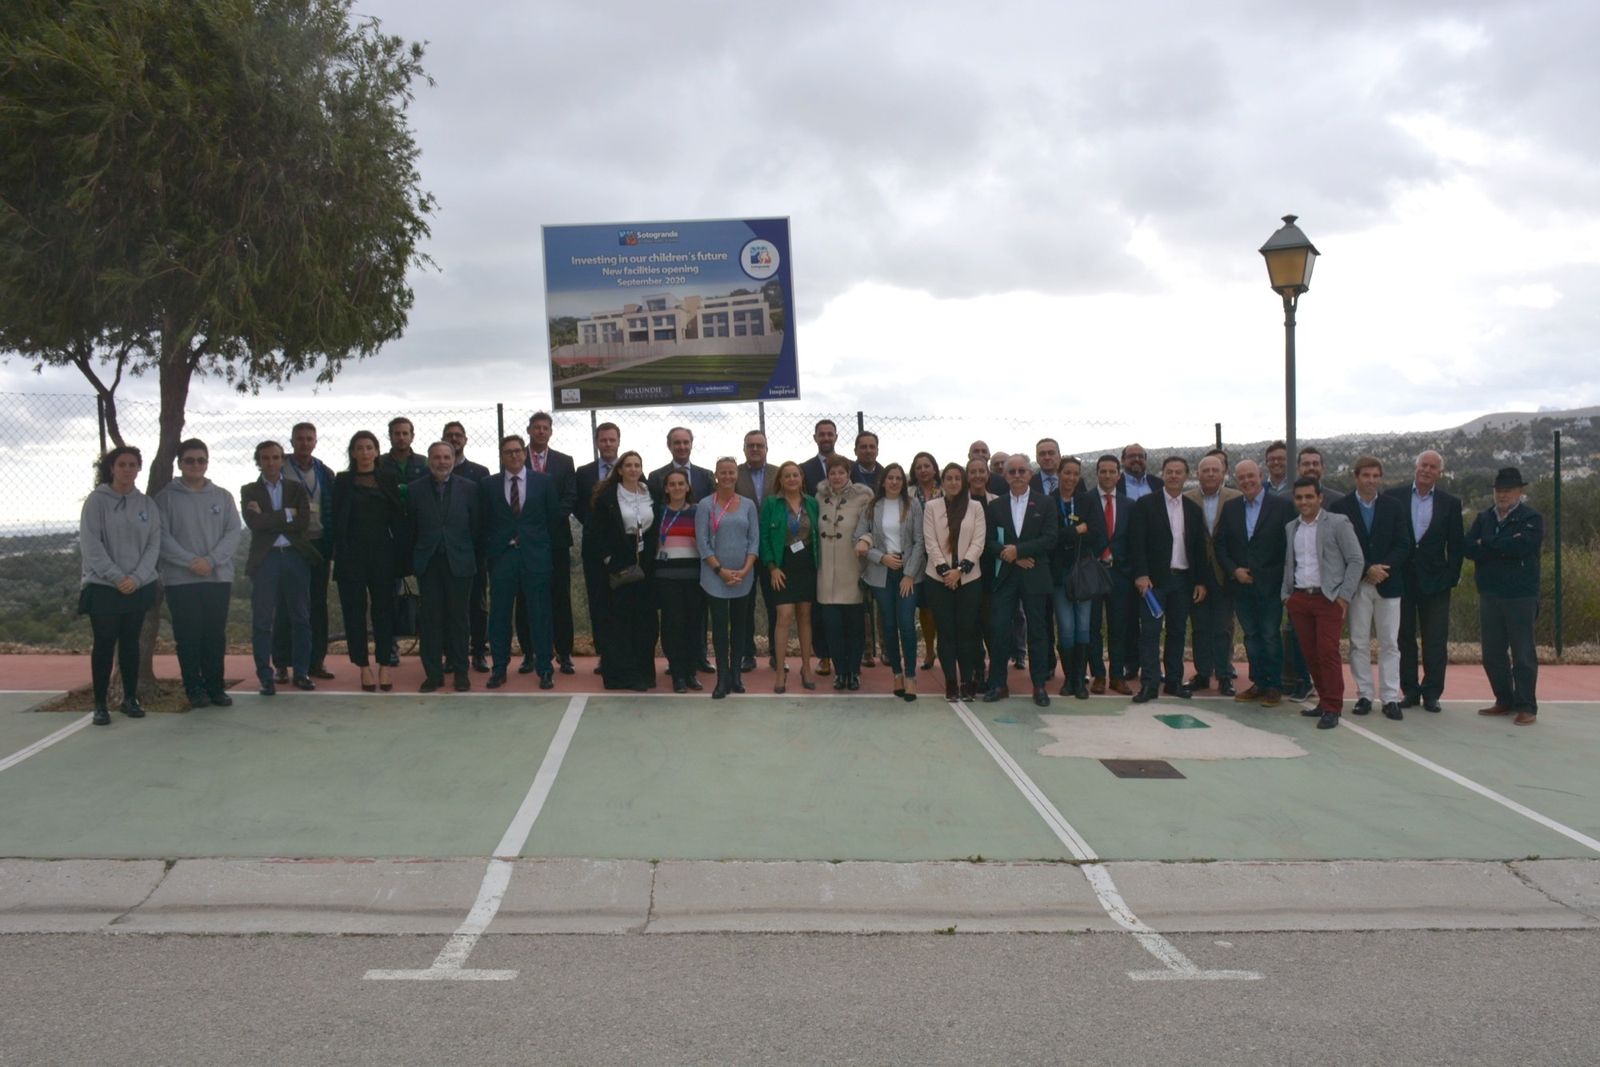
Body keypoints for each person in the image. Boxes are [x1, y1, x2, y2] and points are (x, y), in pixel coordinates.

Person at [78, 445, 161, 725]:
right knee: (104, 643)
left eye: (132, 465)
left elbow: (153, 545)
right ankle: (100, 705)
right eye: (122, 464)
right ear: (111, 468)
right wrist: (116, 577)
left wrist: (136, 578)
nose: (127, 469)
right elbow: (91, 545)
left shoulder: (147, 504)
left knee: (130, 644)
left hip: (138, 585)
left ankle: (130, 699)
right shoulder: (96, 502)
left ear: (139, 469)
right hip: (104, 586)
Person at [157, 439, 241, 710]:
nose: (196, 465)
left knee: (214, 635)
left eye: (201, 460)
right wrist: (190, 562)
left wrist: (211, 561)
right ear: (180, 464)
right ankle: (194, 689)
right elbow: (162, 537)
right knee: (188, 636)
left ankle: (216, 687)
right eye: (190, 460)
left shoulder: (223, 497)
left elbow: (232, 533)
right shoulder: (165, 498)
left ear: (207, 462)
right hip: (181, 580)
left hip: (217, 577)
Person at [1281, 477, 1365, 729]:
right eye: (1299, 497)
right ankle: (1323, 700)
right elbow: (1290, 562)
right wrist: (1287, 596)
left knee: (1327, 652)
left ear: (1320, 498)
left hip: (1328, 598)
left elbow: (1356, 560)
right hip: (1299, 598)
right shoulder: (1291, 527)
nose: (1304, 501)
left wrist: (1344, 596)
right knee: (1310, 654)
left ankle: (1332, 707)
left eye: (1309, 496)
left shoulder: (1338, 523)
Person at [1331, 456, 1410, 720]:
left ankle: (1390, 697)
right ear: (1356, 477)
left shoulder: (1394, 506)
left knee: (1390, 643)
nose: (1371, 480)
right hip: (1357, 584)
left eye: (1376, 476)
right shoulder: (1341, 507)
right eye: (1366, 475)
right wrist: (1366, 569)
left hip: (1389, 582)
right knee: (1358, 642)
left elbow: (1403, 543)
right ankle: (1364, 695)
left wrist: (1382, 568)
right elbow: (1340, 546)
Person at [1385, 450, 1464, 712]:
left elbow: (1456, 545)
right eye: (1423, 465)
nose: (1427, 470)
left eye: (1432, 467)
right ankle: (1409, 691)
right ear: (1415, 467)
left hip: (1436, 583)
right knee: (1403, 638)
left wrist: (1451, 576)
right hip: (1402, 580)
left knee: (1435, 640)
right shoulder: (1394, 497)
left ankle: (1432, 693)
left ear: (1439, 473)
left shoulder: (1450, 503)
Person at [480, 435, 560, 690]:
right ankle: (499, 668)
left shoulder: (544, 482)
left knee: (540, 614)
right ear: (502, 456)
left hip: (535, 558)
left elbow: (553, 520)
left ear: (524, 454)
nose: (513, 455)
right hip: (502, 558)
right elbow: (484, 521)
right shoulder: (488, 484)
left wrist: (545, 552)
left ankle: (545, 669)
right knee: (499, 615)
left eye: (517, 451)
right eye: (508, 452)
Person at [331, 430, 408, 693]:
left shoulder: (388, 478)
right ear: (352, 453)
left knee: (384, 611)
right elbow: (335, 519)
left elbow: (398, 518)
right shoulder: (342, 481)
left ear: (376, 451)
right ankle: (363, 666)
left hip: (383, 555)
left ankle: (385, 663)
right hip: (351, 556)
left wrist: (401, 555)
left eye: (369, 447)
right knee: (354, 612)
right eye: (359, 448)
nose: (364, 453)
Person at [1129, 456, 1210, 704]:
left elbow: (1199, 549)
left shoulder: (1193, 509)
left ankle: (1174, 681)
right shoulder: (1146, 504)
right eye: (1169, 472)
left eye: (1178, 472)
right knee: (1150, 633)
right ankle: (1150, 684)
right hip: (1153, 583)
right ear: (1162, 474)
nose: (1174, 476)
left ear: (1187, 476)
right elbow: (1136, 543)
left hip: (1183, 581)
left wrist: (1200, 581)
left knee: (1177, 632)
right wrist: (1141, 575)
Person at [1465, 468, 1543, 725]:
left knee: (1522, 653)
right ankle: (1504, 699)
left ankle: (1526, 706)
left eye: (1508, 490)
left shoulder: (1531, 518)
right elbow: (1469, 547)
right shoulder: (1484, 517)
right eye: (1499, 490)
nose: (1503, 495)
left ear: (1520, 491)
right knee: (1492, 653)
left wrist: (1487, 544)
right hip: (1490, 593)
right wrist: (1500, 544)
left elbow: (1523, 547)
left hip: (1521, 595)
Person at [242, 440, 319, 696]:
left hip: (295, 556)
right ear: (258, 461)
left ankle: (302, 672)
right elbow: (254, 523)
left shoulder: (296, 488)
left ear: (282, 460)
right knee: (263, 620)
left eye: (275, 457)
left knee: (301, 617)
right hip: (267, 559)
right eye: (265, 458)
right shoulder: (249, 490)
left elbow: (303, 522)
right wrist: (287, 514)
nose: (271, 462)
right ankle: (266, 676)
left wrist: (269, 517)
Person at [984, 454, 1059, 707]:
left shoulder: (1046, 503)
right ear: (1005, 476)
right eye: (1012, 471)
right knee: (999, 630)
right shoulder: (995, 506)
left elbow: (1050, 538)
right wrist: (1014, 557)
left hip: (1035, 575)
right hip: (1005, 577)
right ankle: (998, 684)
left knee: (1037, 632)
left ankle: (1039, 685)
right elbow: (989, 542)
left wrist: (1020, 551)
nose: (1017, 476)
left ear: (1030, 474)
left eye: (1022, 471)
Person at [1217, 460, 1294, 706]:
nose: (1247, 481)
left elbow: (1289, 546)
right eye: (1241, 477)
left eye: (1251, 476)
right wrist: (1234, 571)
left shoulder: (1282, 506)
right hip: (1241, 585)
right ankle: (1258, 682)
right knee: (1251, 636)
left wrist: (1278, 577)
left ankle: (1274, 686)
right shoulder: (1230, 508)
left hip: (1271, 585)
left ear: (1260, 475)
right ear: (1236, 481)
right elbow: (1221, 545)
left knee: (1270, 635)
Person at [409, 441, 480, 693]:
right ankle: (433, 674)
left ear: (453, 459)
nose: (442, 462)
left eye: (446, 457)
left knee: (459, 619)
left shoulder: (469, 488)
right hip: (428, 563)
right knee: (430, 620)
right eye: (437, 457)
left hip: (459, 562)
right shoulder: (415, 490)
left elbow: (476, 526)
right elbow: (410, 528)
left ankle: (461, 672)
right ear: (429, 460)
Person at [855, 463, 925, 701]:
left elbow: (919, 541)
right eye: (890, 478)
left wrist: (909, 574)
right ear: (883, 481)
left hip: (907, 573)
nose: (894, 482)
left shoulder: (913, 505)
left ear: (903, 482)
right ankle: (897, 673)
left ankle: (911, 676)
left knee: (906, 624)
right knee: (888, 625)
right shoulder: (872, 506)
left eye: (898, 478)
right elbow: (858, 539)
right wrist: (881, 557)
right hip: (881, 572)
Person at [591, 450, 659, 692]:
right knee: (620, 621)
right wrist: (609, 559)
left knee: (646, 621)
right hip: (620, 562)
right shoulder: (608, 496)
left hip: (647, 562)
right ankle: (620, 675)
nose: (633, 469)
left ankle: (643, 674)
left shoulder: (650, 493)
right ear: (619, 470)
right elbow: (597, 532)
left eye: (637, 465)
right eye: (628, 465)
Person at [517, 412, 578, 676]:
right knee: (525, 597)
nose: (541, 431)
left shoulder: (564, 462)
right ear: (529, 430)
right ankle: (529, 653)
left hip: (556, 539)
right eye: (537, 427)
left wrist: (546, 520)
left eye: (545, 428)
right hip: (525, 541)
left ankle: (564, 653)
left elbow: (570, 497)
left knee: (560, 596)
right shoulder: (516, 458)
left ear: (551, 432)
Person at [697, 457, 760, 698]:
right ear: (716, 475)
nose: (727, 476)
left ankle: (736, 676)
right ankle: (722, 678)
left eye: (731, 472)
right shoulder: (705, 505)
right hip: (715, 577)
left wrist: (745, 569)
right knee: (720, 628)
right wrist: (720, 570)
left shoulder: (748, 505)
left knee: (740, 627)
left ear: (737, 475)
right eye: (722, 472)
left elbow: (754, 540)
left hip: (743, 576)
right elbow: (702, 543)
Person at [1045, 458, 1107, 700]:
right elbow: (1050, 537)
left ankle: (1080, 680)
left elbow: (1098, 533)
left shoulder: (1087, 501)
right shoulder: (1049, 501)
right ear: (1059, 474)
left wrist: (1068, 535)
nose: (1071, 478)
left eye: (1075, 474)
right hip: (1059, 574)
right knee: (1066, 627)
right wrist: (1076, 530)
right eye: (1067, 473)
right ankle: (1069, 678)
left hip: (1083, 572)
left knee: (1083, 626)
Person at [923, 463, 986, 700]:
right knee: (946, 631)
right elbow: (930, 542)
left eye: (957, 478)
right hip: (938, 580)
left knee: (966, 631)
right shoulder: (931, 507)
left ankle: (967, 680)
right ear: (942, 481)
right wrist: (945, 572)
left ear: (964, 481)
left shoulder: (975, 507)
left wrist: (960, 571)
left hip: (969, 579)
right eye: (948, 478)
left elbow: (978, 542)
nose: (953, 482)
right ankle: (951, 681)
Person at [279, 422, 335, 681]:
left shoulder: (324, 472)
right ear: (292, 442)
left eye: (309, 439)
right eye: (299, 438)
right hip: (289, 543)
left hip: (318, 543)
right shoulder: (280, 468)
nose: (304, 443)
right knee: (285, 603)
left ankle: (316, 661)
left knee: (317, 603)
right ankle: (282, 662)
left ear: (315, 442)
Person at [814, 454, 873, 691]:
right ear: (827, 475)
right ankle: (840, 672)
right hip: (826, 572)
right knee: (832, 628)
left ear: (849, 474)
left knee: (854, 627)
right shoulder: (819, 497)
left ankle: (854, 671)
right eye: (832, 472)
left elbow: (872, 527)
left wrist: (866, 540)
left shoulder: (863, 497)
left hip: (853, 569)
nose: (837, 477)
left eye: (841, 472)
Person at [1185, 453, 1241, 695]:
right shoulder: (1187, 499)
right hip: (1196, 571)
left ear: (1223, 473)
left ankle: (1224, 675)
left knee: (1223, 626)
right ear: (1197, 474)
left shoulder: (1235, 498)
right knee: (1199, 627)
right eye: (1205, 470)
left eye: (1214, 470)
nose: (1210, 474)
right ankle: (1203, 673)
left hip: (1224, 571)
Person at [762, 461, 819, 693]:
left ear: (801, 478)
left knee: (805, 616)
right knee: (784, 616)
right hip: (782, 567)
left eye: (796, 475)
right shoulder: (771, 503)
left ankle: (806, 668)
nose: (792, 479)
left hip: (807, 566)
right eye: (787, 476)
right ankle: (779, 672)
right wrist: (772, 568)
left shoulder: (812, 503)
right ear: (781, 480)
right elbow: (764, 538)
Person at [443, 420, 493, 673]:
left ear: (465, 439)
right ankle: (452, 655)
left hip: (473, 551)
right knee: (448, 605)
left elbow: (485, 512)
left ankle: (479, 652)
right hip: (445, 551)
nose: (454, 439)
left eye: (458, 435)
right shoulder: (436, 470)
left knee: (477, 603)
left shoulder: (480, 472)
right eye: (449, 435)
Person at [574, 422, 621, 674]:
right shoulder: (584, 473)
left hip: (623, 548)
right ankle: (605, 655)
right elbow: (577, 505)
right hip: (593, 548)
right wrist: (596, 526)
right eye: (603, 440)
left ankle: (624, 651)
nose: (608, 444)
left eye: (612, 440)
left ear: (618, 442)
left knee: (621, 601)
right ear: (597, 442)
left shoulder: (630, 468)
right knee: (598, 601)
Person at [1088, 454, 1136, 695]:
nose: (1107, 475)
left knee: (1119, 627)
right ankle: (1098, 674)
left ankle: (1117, 675)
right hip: (1093, 573)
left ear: (1119, 475)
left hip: (1120, 574)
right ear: (1097, 473)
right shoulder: (1085, 501)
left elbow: (1134, 541)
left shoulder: (1129, 505)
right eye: (1103, 471)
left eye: (1111, 471)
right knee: (1093, 627)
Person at [655, 469, 704, 693]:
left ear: (687, 487)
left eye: (680, 484)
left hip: (694, 576)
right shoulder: (658, 512)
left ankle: (691, 672)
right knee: (673, 625)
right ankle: (677, 673)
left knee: (693, 624)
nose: (676, 488)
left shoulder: (697, 511)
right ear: (666, 488)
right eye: (672, 484)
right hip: (666, 578)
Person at [735, 429, 779, 671]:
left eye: (759, 445)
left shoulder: (778, 473)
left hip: (773, 550)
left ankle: (776, 653)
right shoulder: (734, 474)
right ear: (744, 449)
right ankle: (746, 654)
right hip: (743, 550)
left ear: (766, 449)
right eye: (750, 445)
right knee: (745, 604)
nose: (754, 449)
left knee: (775, 604)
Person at [851, 430, 884, 668]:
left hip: (883, 547)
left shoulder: (887, 474)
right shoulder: (847, 474)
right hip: (856, 546)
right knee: (861, 603)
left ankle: (887, 648)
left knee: (883, 602)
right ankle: (866, 649)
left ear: (877, 450)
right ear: (855, 450)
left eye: (872, 446)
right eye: (863, 447)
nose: (868, 450)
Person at [966, 456, 999, 687]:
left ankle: (996, 672)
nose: (978, 475)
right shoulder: (959, 502)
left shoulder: (997, 501)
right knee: (972, 624)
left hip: (992, 571)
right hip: (967, 571)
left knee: (991, 624)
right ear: (967, 476)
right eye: (973, 472)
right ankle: (977, 669)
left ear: (988, 475)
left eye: (981, 471)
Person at [909, 451, 942, 671]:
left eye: (927, 466)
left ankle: (946, 648)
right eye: (918, 467)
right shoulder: (908, 493)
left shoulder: (945, 489)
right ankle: (929, 651)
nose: (923, 470)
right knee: (925, 607)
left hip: (943, 553)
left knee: (943, 607)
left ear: (934, 468)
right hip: (918, 555)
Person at [648, 425, 713, 501]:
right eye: (677, 443)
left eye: (686, 442)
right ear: (669, 446)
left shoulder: (707, 476)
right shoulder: (656, 477)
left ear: (691, 445)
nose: (682, 447)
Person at [380, 416, 428, 485]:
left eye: (405, 433)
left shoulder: (423, 462)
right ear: (390, 436)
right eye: (397, 434)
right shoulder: (380, 462)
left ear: (412, 436)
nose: (401, 438)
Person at [800, 418, 839, 495]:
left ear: (836, 437)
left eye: (830, 434)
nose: (826, 438)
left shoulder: (851, 466)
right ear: (815, 438)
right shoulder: (803, 469)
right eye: (822, 435)